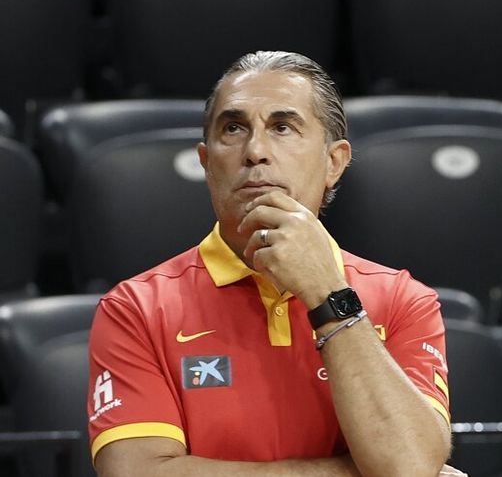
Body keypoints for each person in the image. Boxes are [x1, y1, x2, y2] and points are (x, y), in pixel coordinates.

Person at [87, 51, 462, 476]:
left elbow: (409, 465)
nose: (255, 152)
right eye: (233, 128)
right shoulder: (135, 308)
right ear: (206, 162)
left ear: (334, 162)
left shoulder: (403, 300)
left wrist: (329, 295)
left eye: (282, 127)